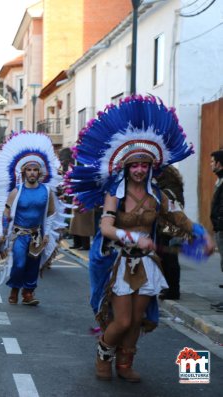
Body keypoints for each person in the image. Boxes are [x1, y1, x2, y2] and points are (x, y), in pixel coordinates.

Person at [67, 95, 214, 383]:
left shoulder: (158, 195)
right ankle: (103, 355)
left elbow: (181, 221)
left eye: (144, 165)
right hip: (120, 263)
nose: (139, 169)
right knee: (121, 320)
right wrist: (130, 235)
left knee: (136, 320)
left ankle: (125, 362)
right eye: (134, 164)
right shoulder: (115, 193)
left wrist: (203, 237)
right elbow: (107, 227)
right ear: (125, 166)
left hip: (147, 265)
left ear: (151, 167)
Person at [0, 132, 66, 306]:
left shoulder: (46, 191)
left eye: (35, 169)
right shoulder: (16, 191)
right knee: (20, 263)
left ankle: (28, 293)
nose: (32, 173)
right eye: (29, 169)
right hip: (19, 235)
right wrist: (3, 234)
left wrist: (47, 234)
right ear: (24, 172)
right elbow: (6, 214)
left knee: (33, 265)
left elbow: (51, 213)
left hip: (37, 234)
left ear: (39, 172)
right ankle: (15, 288)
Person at [154, 165, 185, 300]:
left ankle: (173, 291)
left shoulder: (168, 190)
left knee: (170, 261)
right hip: (169, 229)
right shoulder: (172, 187)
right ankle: (170, 289)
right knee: (167, 260)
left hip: (168, 229)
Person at [210, 150, 223, 300]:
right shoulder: (219, 180)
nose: (211, 165)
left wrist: (219, 223)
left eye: (213, 162)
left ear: (219, 164)